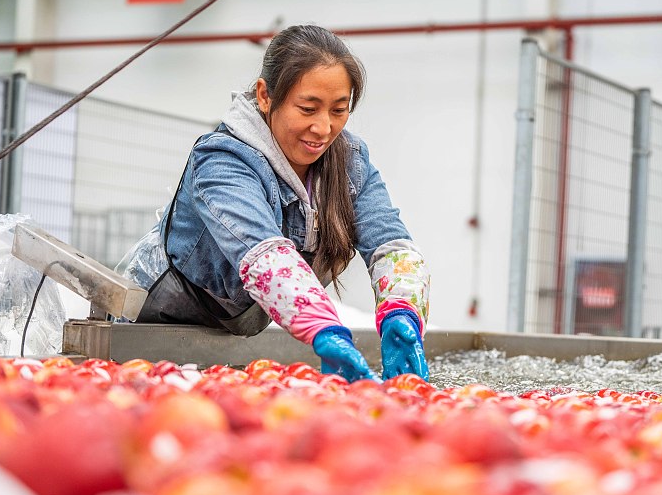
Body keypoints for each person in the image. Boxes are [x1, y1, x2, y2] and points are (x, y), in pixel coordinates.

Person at [118, 24, 430, 383]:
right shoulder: (223, 160)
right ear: (266, 96)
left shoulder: (350, 163)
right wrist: (324, 328)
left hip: (236, 331)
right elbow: (264, 254)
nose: (324, 128)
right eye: (308, 108)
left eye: (339, 110)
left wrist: (402, 311)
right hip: (156, 324)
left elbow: (391, 244)